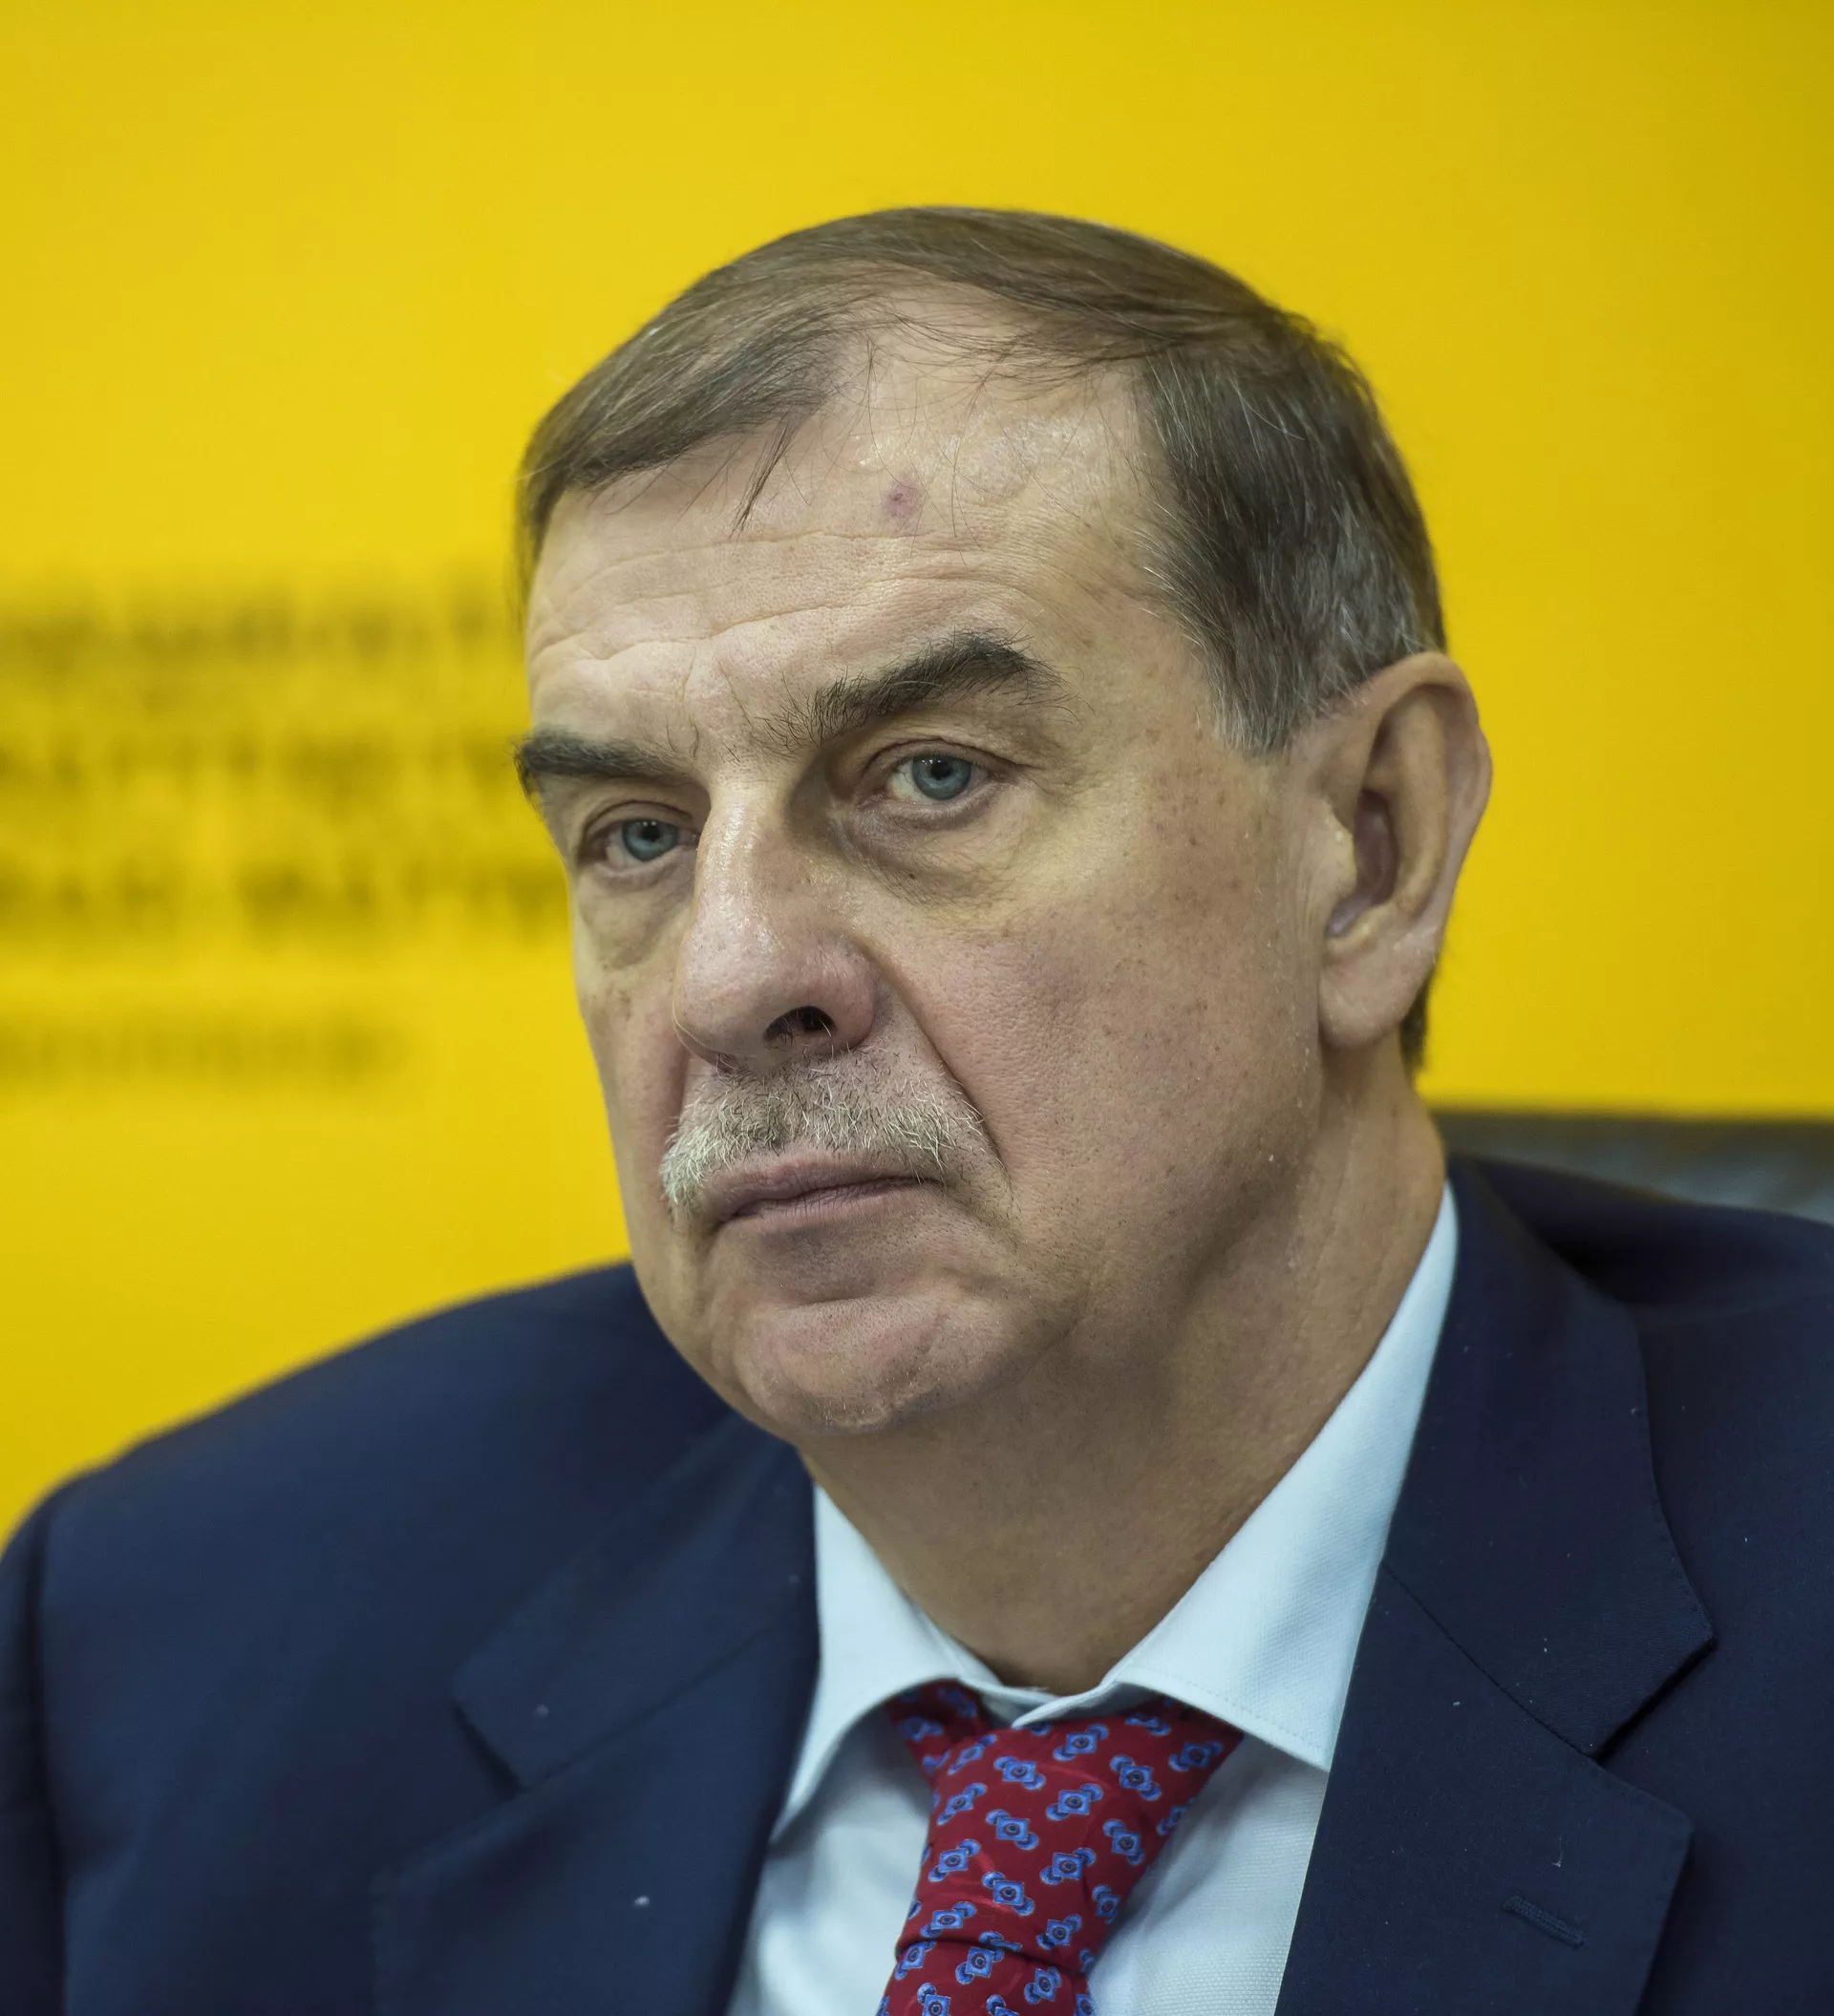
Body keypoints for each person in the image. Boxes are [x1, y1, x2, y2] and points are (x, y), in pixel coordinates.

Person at [3, 208, 1831, 2016]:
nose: (730, 978)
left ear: (1372, 844)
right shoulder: (178, 1655)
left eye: (930, 777)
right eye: (636, 833)